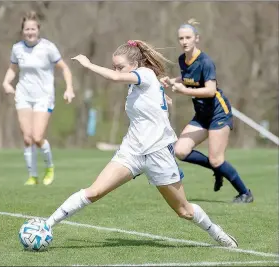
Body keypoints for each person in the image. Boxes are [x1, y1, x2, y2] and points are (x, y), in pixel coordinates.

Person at [44, 40, 239, 248]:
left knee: (184, 211)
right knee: (94, 192)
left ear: (136, 65)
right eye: (114, 66)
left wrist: (89, 64)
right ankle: (46, 225)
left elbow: (117, 78)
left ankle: (217, 233)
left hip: (158, 153)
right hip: (132, 151)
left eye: (120, 66)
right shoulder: (141, 82)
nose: (116, 70)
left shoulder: (144, 74)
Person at [160, 19, 253, 203]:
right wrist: (173, 81)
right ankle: (216, 169)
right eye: (181, 38)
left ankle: (245, 193)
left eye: (188, 37)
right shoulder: (182, 60)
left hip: (219, 113)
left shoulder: (205, 62)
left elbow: (210, 90)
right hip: (202, 116)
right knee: (180, 151)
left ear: (197, 39)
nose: (184, 41)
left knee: (217, 159)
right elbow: (188, 78)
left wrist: (184, 90)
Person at [2, 11, 75, 186]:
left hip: (44, 95)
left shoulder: (48, 47)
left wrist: (69, 89)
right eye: (27, 29)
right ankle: (32, 176)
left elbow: (64, 68)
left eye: (33, 29)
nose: (30, 32)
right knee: (27, 138)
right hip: (23, 95)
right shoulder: (17, 48)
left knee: (37, 136)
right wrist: (6, 82)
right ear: (22, 31)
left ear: (38, 30)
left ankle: (49, 167)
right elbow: (13, 68)